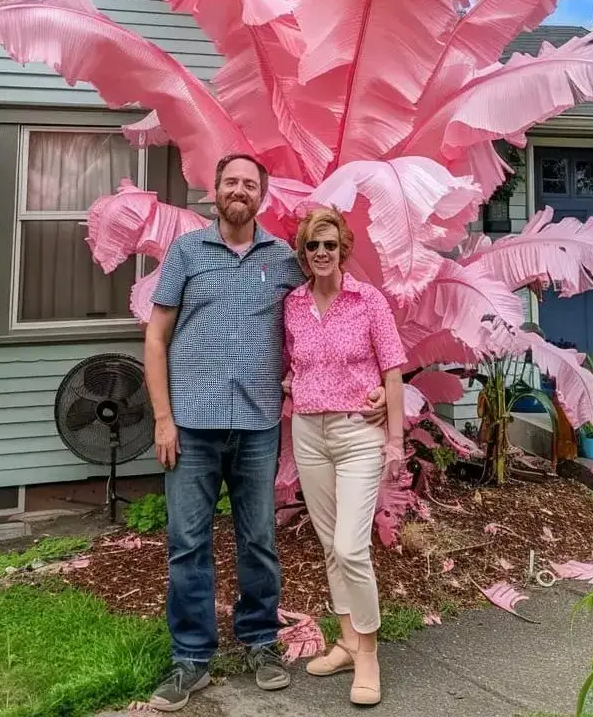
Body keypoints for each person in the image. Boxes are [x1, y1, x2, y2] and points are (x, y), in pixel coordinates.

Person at [143, 154, 388, 711]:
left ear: (261, 195)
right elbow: (156, 337)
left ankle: (260, 642)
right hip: (193, 425)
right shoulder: (186, 252)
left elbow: (334, 309)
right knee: (187, 543)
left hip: (257, 425)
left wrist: (377, 386)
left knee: (258, 540)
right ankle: (191, 658)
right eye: (230, 181)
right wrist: (162, 418)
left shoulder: (283, 259)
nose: (239, 190)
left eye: (249, 184)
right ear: (215, 190)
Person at [283, 206, 406, 708]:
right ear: (304, 252)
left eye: (329, 245)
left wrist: (395, 439)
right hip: (309, 432)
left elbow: (393, 370)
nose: (321, 253)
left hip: (358, 433)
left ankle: (370, 653)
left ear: (343, 249)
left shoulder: (367, 300)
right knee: (331, 546)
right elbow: (291, 364)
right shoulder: (293, 304)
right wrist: (293, 382)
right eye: (313, 245)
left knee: (352, 547)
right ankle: (348, 641)